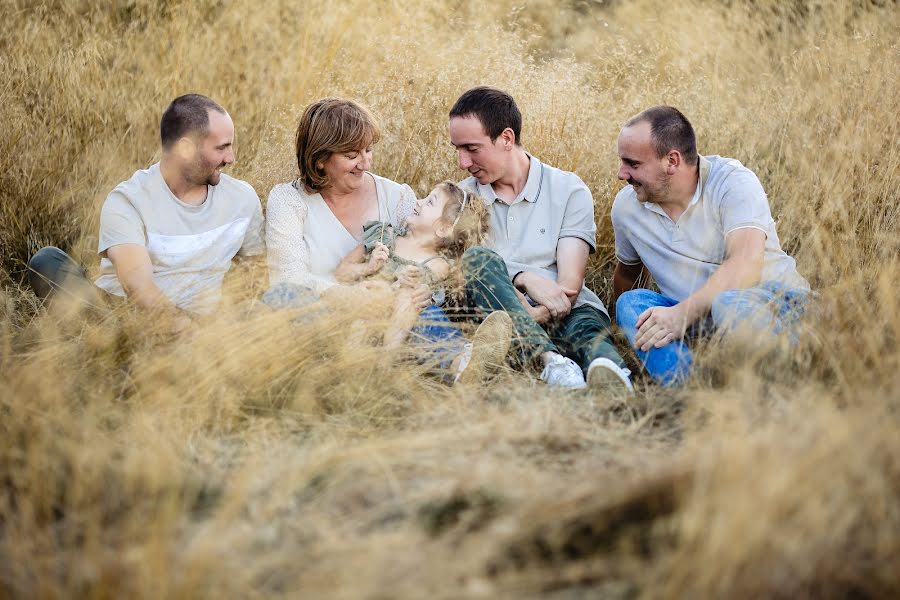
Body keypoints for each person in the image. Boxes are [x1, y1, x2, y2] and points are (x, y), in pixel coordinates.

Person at [448, 86, 633, 392]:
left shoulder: (568, 190)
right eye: (457, 149)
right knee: (479, 261)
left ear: (506, 139)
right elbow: (474, 269)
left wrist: (531, 317)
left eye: (472, 148)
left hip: (565, 308)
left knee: (587, 331)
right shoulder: (461, 199)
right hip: (496, 315)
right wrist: (523, 277)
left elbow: (570, 286)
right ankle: (552, 363)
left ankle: (613, 377)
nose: (462, 162)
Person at [611, 105, 811, 386]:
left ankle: (783, 386)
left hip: (772, 303)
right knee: (631, 305)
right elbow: (628, 277)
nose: (622, 174)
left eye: (632, 164)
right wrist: (622, 332)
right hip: (699, 322)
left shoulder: (732, 182)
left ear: (672, 161)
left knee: (729, 303)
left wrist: (680, 315)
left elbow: (745, 266)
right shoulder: (627, 207)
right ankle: (694, 390)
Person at [27, 94, 265, 326]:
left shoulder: (242, 198)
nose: (231, 158)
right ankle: (108, 347)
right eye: (221, 148)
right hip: (123, 319)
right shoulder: (128, 200)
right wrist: (184, 331)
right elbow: (138, 287)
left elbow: (256, 275)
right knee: (47, 261)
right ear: (186, 149)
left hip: (201, 322)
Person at [334, 181, 512, 384]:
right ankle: (363, 373)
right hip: (365, 311)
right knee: (386, 298)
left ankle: (461, 364)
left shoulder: (438, 264)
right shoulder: (384, 235)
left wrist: (418, 285)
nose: (418, 202)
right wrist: (368, 268)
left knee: (424, 312)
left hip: (401, 330)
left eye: (429, 202)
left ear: (443, 228)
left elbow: (428, 291)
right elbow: (342, 272)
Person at [264, 97, 429, 310]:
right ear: (319, 159)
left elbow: (427, 256)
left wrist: (425, 290)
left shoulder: (397, 197)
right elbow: (287, 280)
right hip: (317, 322)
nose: (365, 163)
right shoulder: (288, 201)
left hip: (389, 318)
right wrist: (345, 296)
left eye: (368, 150)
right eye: (351, 155)